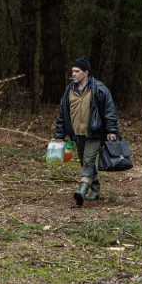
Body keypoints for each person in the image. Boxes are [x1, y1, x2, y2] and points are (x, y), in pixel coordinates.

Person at [53, 57, 119, 206]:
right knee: (85, 162)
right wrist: (59, 135)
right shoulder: (69, 90)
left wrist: (111, 130)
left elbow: (109, 110)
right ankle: (95, 191)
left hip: (95, 133)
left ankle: (81, 192)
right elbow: (63, 114)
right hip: (77, 134)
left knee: (88, 161)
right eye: (72, 71)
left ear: (86, 73)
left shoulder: (100, 89)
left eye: (77, 71)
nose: (74, 74)